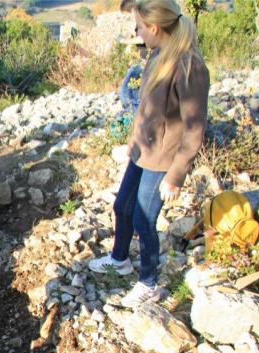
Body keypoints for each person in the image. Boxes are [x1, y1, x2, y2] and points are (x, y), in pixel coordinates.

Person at [88, 0, 209, 308]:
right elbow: (146, 109)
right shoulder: (158, 55)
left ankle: (149, 283)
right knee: (122, 206)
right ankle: (120, 260)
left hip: (163, 160)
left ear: (154, 28)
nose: (137, 32)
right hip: (144, 152)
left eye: (139, 27)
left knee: (144, 220)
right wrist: (132, 141)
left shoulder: (188, 66)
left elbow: (194, 129)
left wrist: (176, 174)